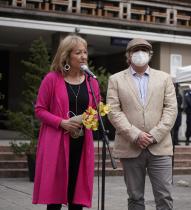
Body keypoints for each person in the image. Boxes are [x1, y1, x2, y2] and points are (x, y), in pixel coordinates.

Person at [107, 38, 177, 210]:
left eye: (144, 50)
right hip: (130, 146)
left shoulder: (164, 78)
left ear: (150, 55)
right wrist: (135, 134)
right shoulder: (115, 79)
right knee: (135, 197)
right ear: (128, 56)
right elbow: (113, 111)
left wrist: (154, 135)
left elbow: (171, 109)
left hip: (160, 146)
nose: (140, 53)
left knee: (164, 196)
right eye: (136, 50)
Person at [32, 34, 100, 210]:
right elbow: (39, 110)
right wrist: (61, 122)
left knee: (76, 198)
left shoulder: (92, 82)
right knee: (54, 200)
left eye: (85, 52)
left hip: (82, 143)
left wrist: (91, 119)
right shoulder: (52, 79)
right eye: (78, 52)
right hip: (57, 143)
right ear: (67, 55)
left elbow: (97, 110)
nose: (84, 56)